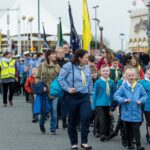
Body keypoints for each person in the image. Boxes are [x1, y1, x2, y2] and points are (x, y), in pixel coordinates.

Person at [58, 49, 93, 150]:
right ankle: (74, 143)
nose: (88, 59)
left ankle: (84, 142)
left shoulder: (87, 67)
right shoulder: (68, 66)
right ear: (80, 58)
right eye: (86, 57)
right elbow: (61, 79)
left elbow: (90, 81)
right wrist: (68, 89)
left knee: (86, 117)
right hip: (72, 96)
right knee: (72, 120)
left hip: (84, 96)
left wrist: (90, 95)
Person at [114, 68, 147, 150]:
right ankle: (130, 145)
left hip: (136, 112)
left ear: (135, 76)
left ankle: (138, 146)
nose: (131, 77)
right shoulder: (123, 86)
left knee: (136, 129)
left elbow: (145, 95)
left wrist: (141, 100)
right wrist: (123, 100)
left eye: (133, 75)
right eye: (129, 75)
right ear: (126, 76)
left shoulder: (139, 86)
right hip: (126, 112)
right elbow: (116, 95)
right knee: (127, 130)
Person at [37, 49, 60, 135]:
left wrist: (59, 74)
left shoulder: (57, 66)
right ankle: (41, 123)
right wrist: (41, 87)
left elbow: (61, 79)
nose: (55, 55)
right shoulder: (42, 65)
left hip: (54, 92)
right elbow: (38, 77)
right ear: (48, 55)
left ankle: (53, 128)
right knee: (44, 111)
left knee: (54, 110)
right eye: (53, 54)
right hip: (45, 91)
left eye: (55, 54)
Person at [92, 64, 115, 141]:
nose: (105, 72)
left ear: (109, 72)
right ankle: (102, 134)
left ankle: (107, 134)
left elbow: (114, 94)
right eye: (103, 71)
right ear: (100, 72)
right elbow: (95, 94)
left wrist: (114, 105)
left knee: (108, 119)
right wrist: (93, 105)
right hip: (99, 104)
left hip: (109, 104)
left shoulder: (111, 82)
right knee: (102, 119)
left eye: (107, 71)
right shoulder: (98, 82)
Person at [139, 65, 150, 144]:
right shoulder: (141, 82)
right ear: (146, 73)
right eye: (149, 73)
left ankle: (148, 135)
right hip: (147, 105)